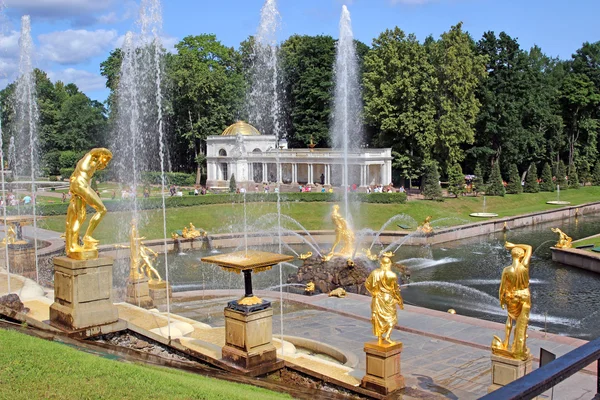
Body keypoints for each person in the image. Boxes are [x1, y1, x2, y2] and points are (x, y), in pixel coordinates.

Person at [65, 148, 112, 258]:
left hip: (78, 185)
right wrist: (108, 154)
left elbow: (73, 175)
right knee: (102, 210)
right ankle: (87, 236)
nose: (105, 164)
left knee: (80, 217)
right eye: (106, 160)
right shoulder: (90, 156)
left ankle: (72, 245)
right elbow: (96, 151)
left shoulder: (88, 163)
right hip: (81, 185)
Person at [491, 242, 532, 360]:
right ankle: (518, 344)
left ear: (512, 256)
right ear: (521, 256)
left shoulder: (507, 270)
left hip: (512, 296)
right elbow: (529, 247)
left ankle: (507, 342)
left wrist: (501, 300)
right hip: (524, 294)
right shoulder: (524, 265)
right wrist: (514, 245)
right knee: (522, 321)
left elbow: (502, 288)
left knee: (510, 318)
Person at [365, 255, 404, 345]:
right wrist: (400, 301)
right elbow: (395, 290)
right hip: (388, 298)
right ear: (388, 264)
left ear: (381, 264)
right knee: (392, 318)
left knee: (378, 317)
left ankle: (380, 336)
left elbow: (367, 284)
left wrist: (373, 292)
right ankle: (387, 336)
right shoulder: (392, 275)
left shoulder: (375, 273)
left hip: (377, 298)